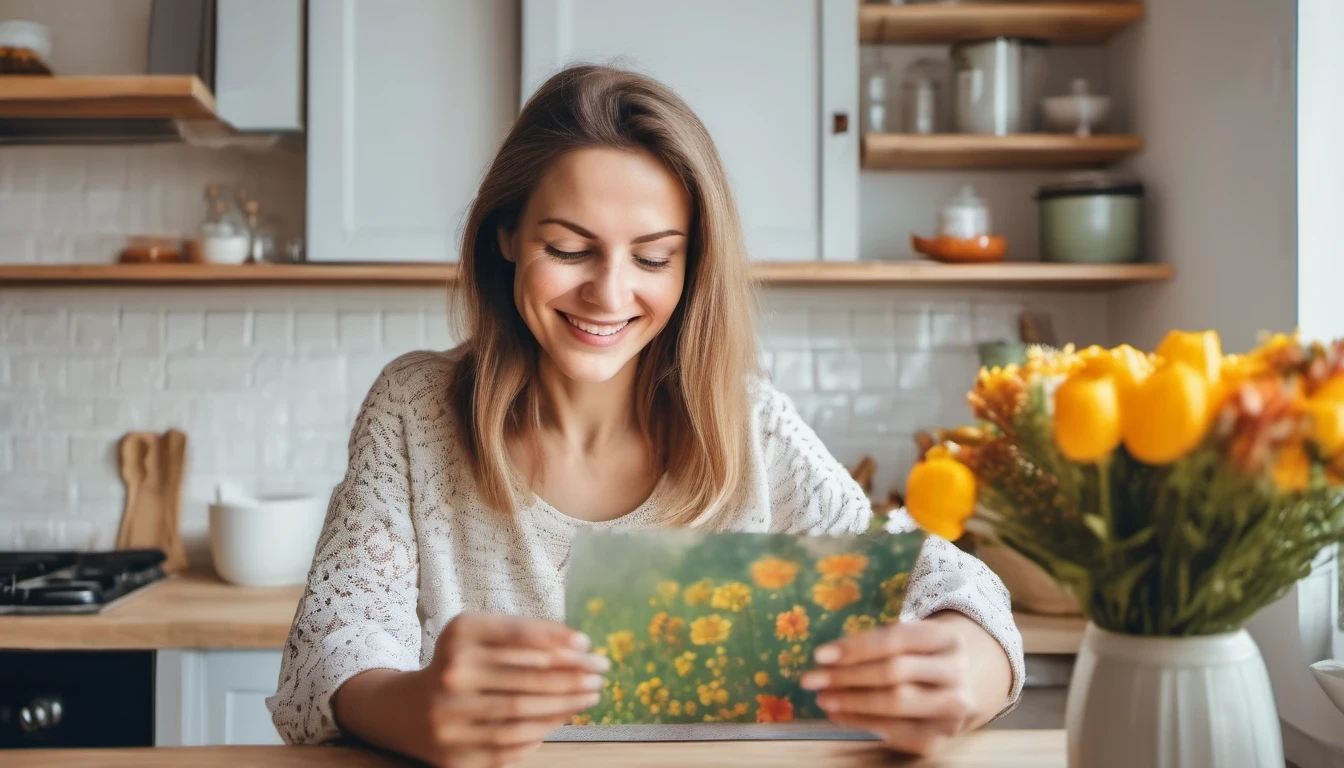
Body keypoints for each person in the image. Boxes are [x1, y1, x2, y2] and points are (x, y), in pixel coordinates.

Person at [266, 65, 1022, 767]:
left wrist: (968, 668)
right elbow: (332, 649)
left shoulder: (749, 427)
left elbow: (947, 589)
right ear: (505, 236)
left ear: (692, 267)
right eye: (568, 248)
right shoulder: (414, 408)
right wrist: (409, 705)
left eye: (654, 259)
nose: (608, 293)